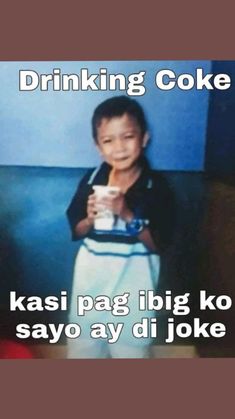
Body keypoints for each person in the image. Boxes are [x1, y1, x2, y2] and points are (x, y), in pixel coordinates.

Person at [66, 96, 175, 358]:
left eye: (128, 136)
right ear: (98, 147)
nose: (119, 148)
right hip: (89, 292)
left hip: (133, 297)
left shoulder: (156, 187)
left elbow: (158, 244)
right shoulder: (92, 180)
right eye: (108, 140)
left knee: (131, 355)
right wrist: (90, 219)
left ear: (144, 138)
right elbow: (76, 230)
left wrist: (127, 213)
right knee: (82, 353)